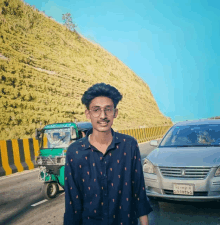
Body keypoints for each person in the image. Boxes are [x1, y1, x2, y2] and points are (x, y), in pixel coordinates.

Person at [64, 83, 153, 225]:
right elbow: (72, 203)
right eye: (96, 110)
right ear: (88, 114)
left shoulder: (129, 145)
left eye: (108, 110)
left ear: (115, 113)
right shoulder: (75, 152)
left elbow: (138, 191)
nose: (103, 116)